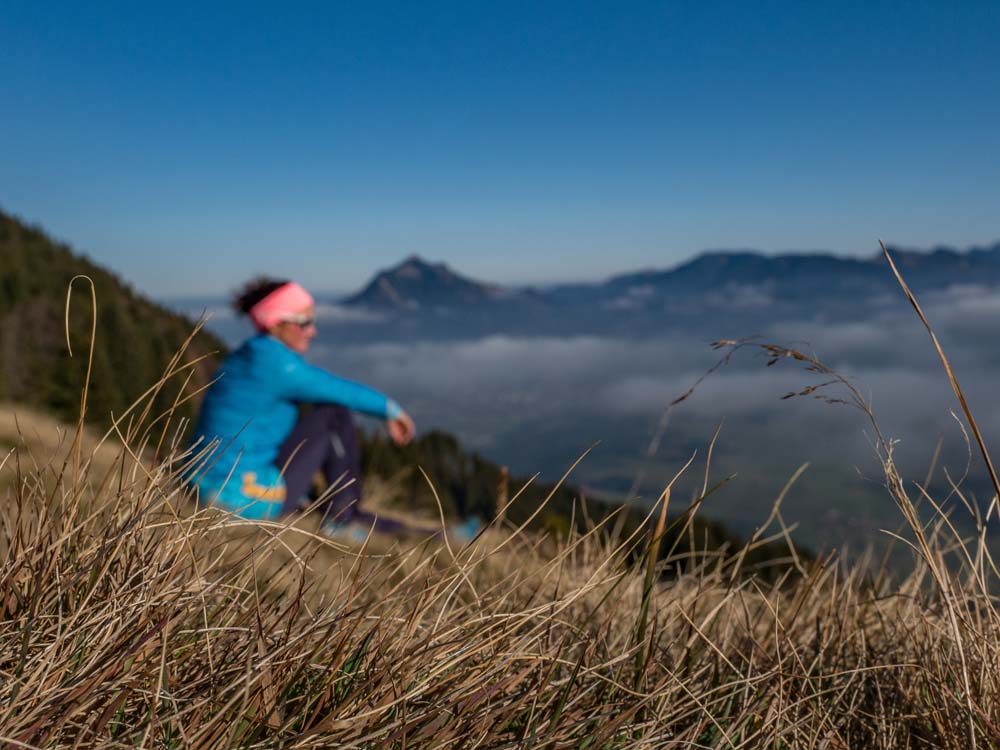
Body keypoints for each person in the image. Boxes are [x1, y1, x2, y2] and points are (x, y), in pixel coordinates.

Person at [188, 277, 469, 540]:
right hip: (245, 499)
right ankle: (343, 521)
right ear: (275, 324)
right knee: (333, 415)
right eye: (304, 322)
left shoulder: (248, 355)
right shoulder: (278, 365)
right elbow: (339, 390)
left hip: (203, 487)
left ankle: (353, 516)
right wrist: (391, 410)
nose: (313, 331)